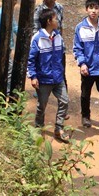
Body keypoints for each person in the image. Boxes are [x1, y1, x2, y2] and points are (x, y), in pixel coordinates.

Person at [73, 0, 99, 138]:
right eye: (91, 7)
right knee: (85, 94)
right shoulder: (80, 28)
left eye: (96, 8)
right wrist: (82, 64)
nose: (93, 11)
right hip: (88, 69)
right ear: (86, 10)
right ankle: (85, 116)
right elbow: (77, 48)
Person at [28, 8, 70, 142]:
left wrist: (62, 73)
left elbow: (61, 57)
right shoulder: (37, 38)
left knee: (64, 100)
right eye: (55, 18)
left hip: (58, 78)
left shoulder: (58, 37)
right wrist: (33, 77)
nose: (58, 21)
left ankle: (59, 128)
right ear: (48, 21)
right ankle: (39, 127)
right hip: (44, 79)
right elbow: (31, 60)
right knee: (42, 105)